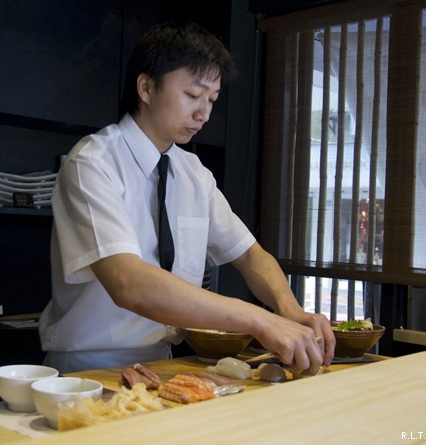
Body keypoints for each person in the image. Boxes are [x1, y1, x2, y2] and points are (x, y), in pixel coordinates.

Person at [39, 21, 335, 374]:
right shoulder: (92, 163)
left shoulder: (194, 173)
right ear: (146, 87)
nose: (204, 113)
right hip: (90, 369)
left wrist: (289, 310)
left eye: (212, 99)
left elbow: (252, 256)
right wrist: (259, 320)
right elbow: (129, 284)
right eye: (193, 95)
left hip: (163, 363)